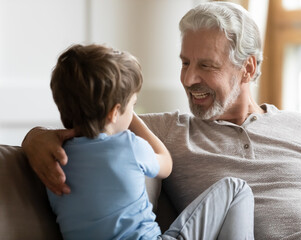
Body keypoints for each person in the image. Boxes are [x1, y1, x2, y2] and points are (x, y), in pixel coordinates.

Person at [22, 2, 301, 240]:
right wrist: (35, 138)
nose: (188, 79)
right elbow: (93, 119)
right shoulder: (170, 132)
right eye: (185, 63)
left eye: (206, 66)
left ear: (249, 68)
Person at [45, 43, 254, 240]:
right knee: (235, 187)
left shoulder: (54, 163)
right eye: (132, 105)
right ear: (114, 112)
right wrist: (131, 118)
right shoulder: (127, 147)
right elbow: (166, 164)